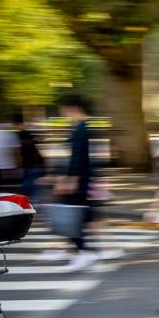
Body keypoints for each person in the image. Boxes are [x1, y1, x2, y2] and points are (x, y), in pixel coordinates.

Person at [55, 95, 99, 271]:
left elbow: (79, 158)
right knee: (80, 216)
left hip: (78, 180)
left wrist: (71, 180)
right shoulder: (79, 127)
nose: (63, 112)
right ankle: (81, 250)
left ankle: (84, 251)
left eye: (64, 109)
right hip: (80, 179)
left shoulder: (81, 128)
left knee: (71, 217)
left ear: (75, 108)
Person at [14, 111, 45, 201]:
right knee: (31, 189)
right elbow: (35, 148)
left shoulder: (19, 135)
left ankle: (32, 207)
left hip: (29, 165)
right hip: (32, 165)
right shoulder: (27, 133)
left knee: (28, 189)